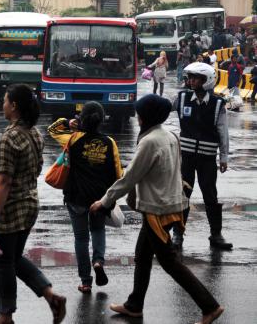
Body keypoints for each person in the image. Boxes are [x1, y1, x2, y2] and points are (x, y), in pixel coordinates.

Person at [89, 94, 224, 324]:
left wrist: (105, 201)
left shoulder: (150, 141)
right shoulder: (169, 135)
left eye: (140, 113)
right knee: (142, 255)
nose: (137, 117)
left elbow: (129, 177)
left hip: (157, 211)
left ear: (147, 116)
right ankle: (134, 304)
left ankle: (209, 306)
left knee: (170, 262)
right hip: (170, 204)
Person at [0, 84, 66, 324]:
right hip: (29, 205)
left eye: (6, 100)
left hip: (11, 208)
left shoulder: (10, 137)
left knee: (4, 262)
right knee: (14, 258)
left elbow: (5, 183)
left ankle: (5, 315)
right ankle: (51, 296)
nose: (2, 104)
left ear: (14, 106)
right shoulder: (34, 133)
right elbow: (30, 170)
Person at [47, 102, 122, 294]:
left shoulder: (72, 139)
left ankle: (86, 281)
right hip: (99, 199)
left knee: (80, 239)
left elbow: (53, 130)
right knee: (98, 230)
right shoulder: (109, 142)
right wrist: (110, 199)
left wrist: (69, 122)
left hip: (76, 197)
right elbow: (118, 174)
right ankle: (98, 261)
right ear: (102, 120)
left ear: (82, 119)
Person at [171, 62, 232, 250]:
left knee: (210, 196)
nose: (190, 81)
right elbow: (162, 110)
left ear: (206, 81)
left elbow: (223, 132)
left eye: (195, 78)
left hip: (207, 159)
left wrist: (223, 157)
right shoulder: (181, 98)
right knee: (183, 195)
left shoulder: (218, 105)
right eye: (189, 77)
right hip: (186, 158)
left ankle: (216, 235)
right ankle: (178, 234)